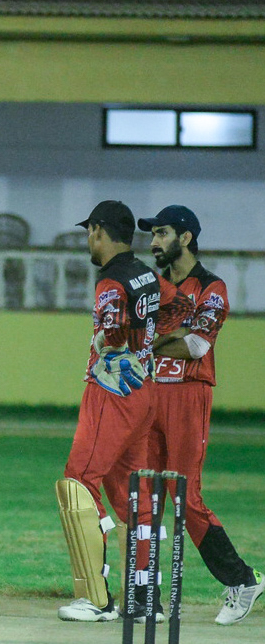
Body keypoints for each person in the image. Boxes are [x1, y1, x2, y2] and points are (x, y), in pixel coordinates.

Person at [56, 200, 194, 623]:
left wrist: (112, 344)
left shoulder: (112, 281)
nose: (88, 240)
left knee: (78, 484)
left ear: (98, 230)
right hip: (143, 392)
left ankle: (95, 599)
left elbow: (113, 331)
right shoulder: (146, 275)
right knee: (132, 494)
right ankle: (144, 597)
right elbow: (182, 307)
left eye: (89, 232)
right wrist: (146, 344)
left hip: (111, 393)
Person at [138, 205, 264, 626]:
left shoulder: (212, 287)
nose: (154, 242)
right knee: (144, 496)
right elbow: (133, 336)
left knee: (184, 496)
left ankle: (243, 580)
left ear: (186, 237)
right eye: (152, 235)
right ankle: (146, 597)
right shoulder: (150, 287)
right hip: (148, 394)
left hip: (188, 396)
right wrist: (167, 335)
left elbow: (195, 346)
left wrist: (154, 341)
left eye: (161, 233)